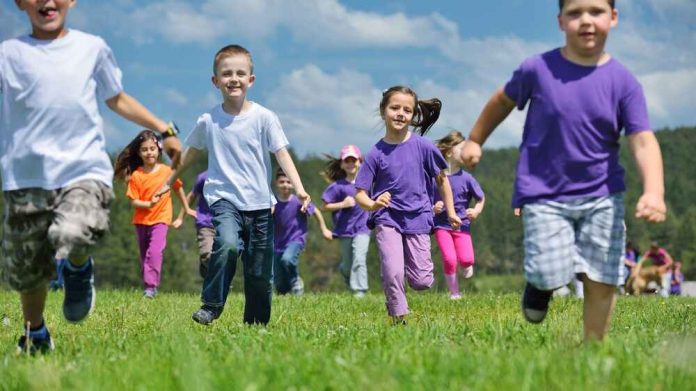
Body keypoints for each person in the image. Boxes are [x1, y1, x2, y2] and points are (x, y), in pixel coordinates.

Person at [460, 0, 666, 341]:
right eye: (575, 13)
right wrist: (475, 139)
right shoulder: (537, 69)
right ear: (560, 21)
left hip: (603, 194)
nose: (586, 20)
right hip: (544, 193)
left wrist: (654, 190)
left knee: (602, 275)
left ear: (613, 18)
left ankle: (593, 348)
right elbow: (502, 101)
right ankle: (539, 286)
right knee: (548, 270)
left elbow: (642, 140)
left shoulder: (623, 82)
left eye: (596, 11)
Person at [1, 0, 181, 354]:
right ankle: (35, 332)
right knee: (28, 267)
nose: (47, 2)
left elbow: (116, 99)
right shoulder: (9, 54)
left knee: (75, 232)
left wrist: (163, 129)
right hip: (25, 176)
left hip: (83, 169)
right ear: (20, 3)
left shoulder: (91, 48)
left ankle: (79, 268)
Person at [169, 44, 310, 326]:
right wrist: (169, 179)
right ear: (215, 80)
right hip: (224, 199)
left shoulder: (264, 117)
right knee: (228, 245)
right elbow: (191, 152)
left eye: (240, 73)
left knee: (259, 272)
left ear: (251, 80)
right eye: (227, 73)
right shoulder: (208, 120)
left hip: (259, 203)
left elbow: (281, 153)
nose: (233, 78)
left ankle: (256, 324)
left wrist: (300, 187)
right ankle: (211, 304)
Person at [355, 86, 461, 324]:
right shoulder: (375, 153)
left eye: (407, 109)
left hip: (418, 217)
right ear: (383, 111)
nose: (400, 113)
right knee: (392, 271)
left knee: (422, 281)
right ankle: (398, 317)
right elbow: (360, 193)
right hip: (387, 218)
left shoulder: (423, 146)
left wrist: (451, 211)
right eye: (395, 108)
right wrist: (373, 204)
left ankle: (406, 294)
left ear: (413, 115)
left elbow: (442, 181)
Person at [114, 130, 191, 298]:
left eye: (152, 148)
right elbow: (134, 201)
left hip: (161, 219)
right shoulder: (136, 175)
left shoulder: (167, 171)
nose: (149, 152)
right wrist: (149, 203)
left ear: (159, 150)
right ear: (139, 153)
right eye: (144, 149)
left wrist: (185, 208)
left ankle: (150, 287)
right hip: (141, 221)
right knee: (144, 256)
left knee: (154, 252)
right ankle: (149, 286)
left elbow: (178, 188)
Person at [432, 131, 485, 300]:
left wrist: (476, 211)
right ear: (448, 152)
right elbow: (425, 199)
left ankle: (466, 264)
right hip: (441, 225)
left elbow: (481, 198)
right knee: (449, 258)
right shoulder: (436, 178)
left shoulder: (467, 178)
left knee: (467, 259)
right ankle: (454, 293)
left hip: (462, 226)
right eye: (462, 149)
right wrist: (434, 207)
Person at [320, 145, 371, 297]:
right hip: (344, 230)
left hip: (363, 229)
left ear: (360, 162)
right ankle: (344, 270)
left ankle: (359, 291)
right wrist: (343, 204)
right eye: (347, 161)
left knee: (359, 258)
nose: (350, 164)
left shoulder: (367, 184)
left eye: (353, 160)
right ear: (342, 164)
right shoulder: (337, 186)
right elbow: (324, 207)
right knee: (349, 264)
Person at [273, 169, 332, 295]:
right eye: (282, 182)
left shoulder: (298, 201)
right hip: (276, 244)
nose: (285, 185)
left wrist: (324, 229)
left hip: (296, 240)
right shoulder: (273, 203)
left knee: (287, 259)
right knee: (279, 284)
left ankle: (296, 281)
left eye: (289, 182)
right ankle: (286, 297)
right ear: (276, 183)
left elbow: (316, 211)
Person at [172, 170, 214, 279]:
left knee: (223, 256)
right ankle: (207, 268)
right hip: (205, 223)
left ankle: (217, 284)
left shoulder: (233, 175)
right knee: (208, 255)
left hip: (226, 223)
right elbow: (191, 196)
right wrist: (181, 217)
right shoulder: (204, 177)